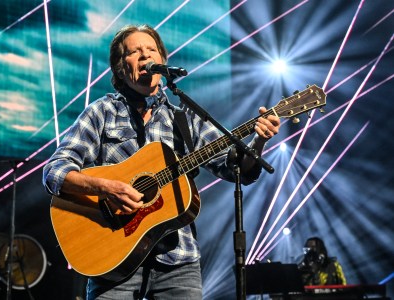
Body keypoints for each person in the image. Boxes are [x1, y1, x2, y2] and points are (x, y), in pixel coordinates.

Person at [43, 24, 280, 300]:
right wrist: (106, 188)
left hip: (178, 261)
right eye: (135, 52)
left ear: (162, 62)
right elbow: (54, 172)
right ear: (121, 69)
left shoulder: (183, 118)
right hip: (113, 261)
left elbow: (235, 168)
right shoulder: (102, 112)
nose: (145, 56)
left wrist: (259, 141)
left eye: (151, 50)